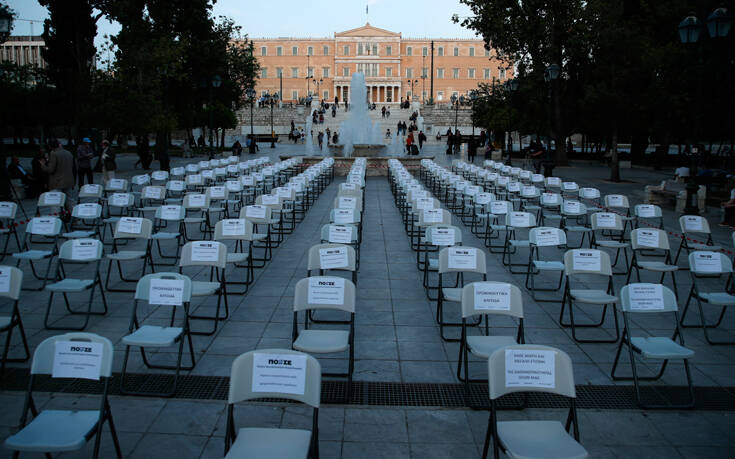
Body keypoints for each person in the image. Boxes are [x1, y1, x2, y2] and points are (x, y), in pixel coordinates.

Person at [41, 139, 75, 214]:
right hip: (68, 180)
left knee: (55, 202)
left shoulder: (54, 153)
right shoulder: (68, 153)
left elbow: (51, 170)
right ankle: (74, 217)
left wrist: (43, 165)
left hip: (57, 182)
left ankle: (56, 218)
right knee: (69, 200)